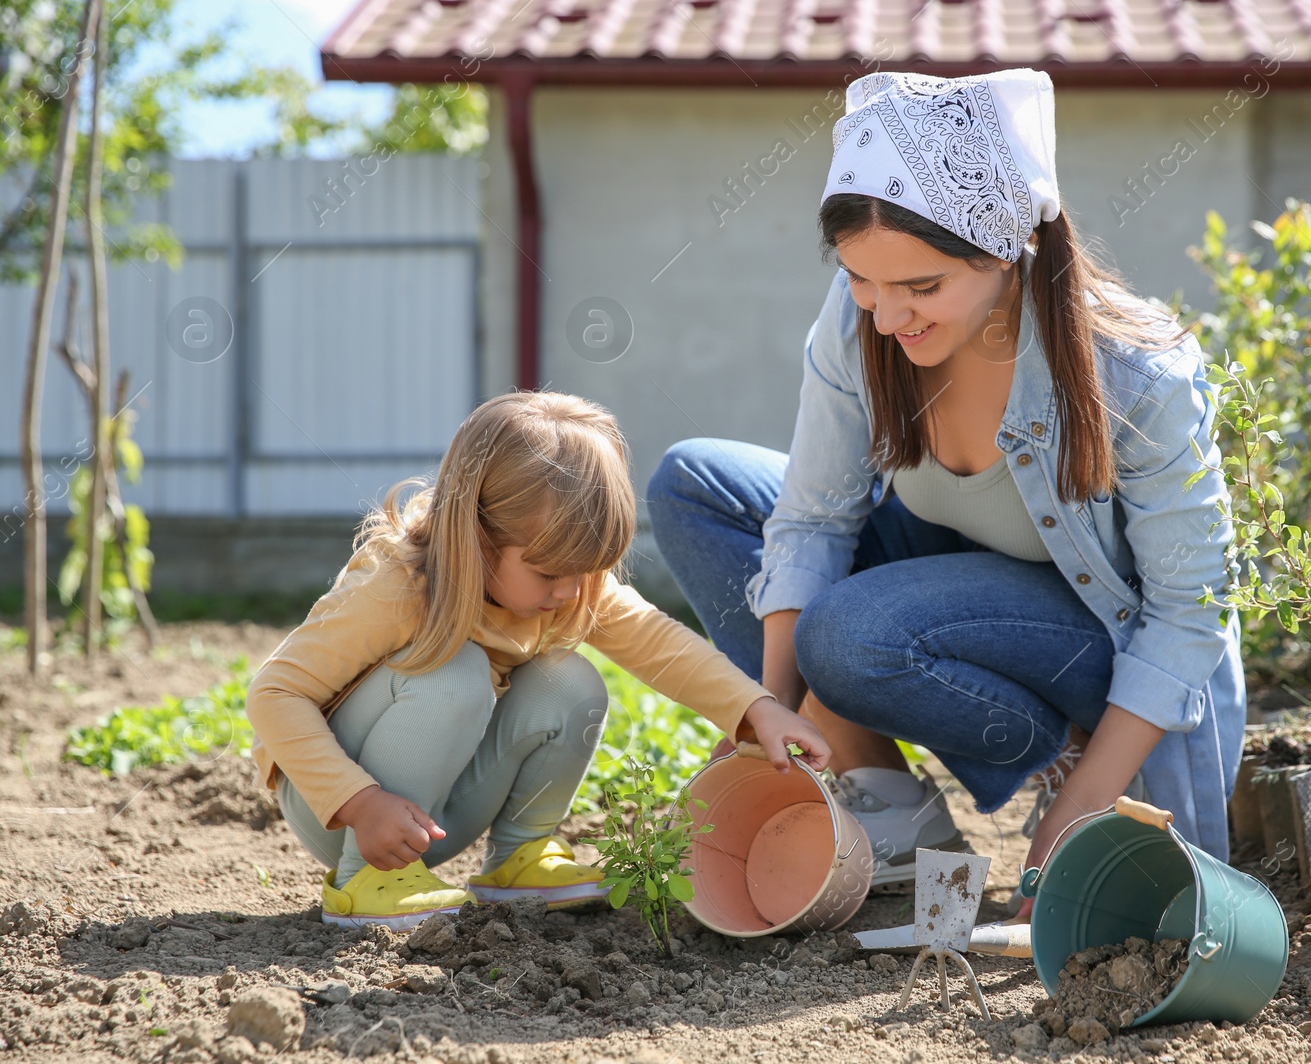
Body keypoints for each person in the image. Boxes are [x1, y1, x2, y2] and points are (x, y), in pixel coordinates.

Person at [648, 69, 1244, 906]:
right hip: (944, 590)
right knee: (694, 484)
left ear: (1004, 249)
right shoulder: (864, 318)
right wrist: (764, 724)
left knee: (847, 632)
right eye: (863, 280)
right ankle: (894, 808)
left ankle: (1061, 755)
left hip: (1094, 653)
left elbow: (1190, 613)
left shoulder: (1139, 377)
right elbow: (813, 519)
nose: (887, 317)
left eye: (921, 287)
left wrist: (1074, 814)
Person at [247, 391, 829, 929]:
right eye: (550, 572)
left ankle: (519, 857)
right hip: (346, 815)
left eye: (589, 570)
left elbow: (661, 644)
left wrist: (756, 709)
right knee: (455, 672)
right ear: (474, 535)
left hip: (435, 819)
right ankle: (365, 884)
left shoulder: (572, 585)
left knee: (570, 680)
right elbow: (274, 694)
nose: (573, 592)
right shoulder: (399, 586)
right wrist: (360, 802)